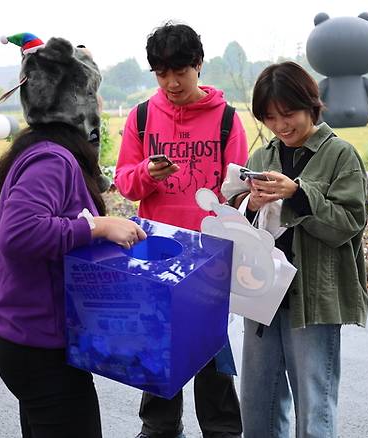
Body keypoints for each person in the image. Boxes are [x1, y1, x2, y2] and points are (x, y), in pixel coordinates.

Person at [0, 35, 146, 438]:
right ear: (78, 102)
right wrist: (97, 225)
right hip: (40, 347)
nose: (101, 106)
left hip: (25, 341)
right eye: (94, 94)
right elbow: (20, 232)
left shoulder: (37, 149)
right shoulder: (53, 159)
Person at [114, 22, 248, 438]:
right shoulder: (140, 116)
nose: (171, 82)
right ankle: (159, 429)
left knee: (211, 351)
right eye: (161, 73)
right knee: (157, 347)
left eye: (181, 71)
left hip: (209, 256)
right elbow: (125, 181)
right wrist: (148, 174)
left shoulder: (227, 120)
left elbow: (239, 192)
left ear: (199, 65)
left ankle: (222, 431)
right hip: (156, 253)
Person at [233, 61, 368, 438]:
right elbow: (243, 227)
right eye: (270, 117)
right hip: (263, 296)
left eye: (288, 113)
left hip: (314, 298)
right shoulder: (262, 158)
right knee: (258, 404)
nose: (281, 125)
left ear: (311, 104)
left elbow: (349, 225)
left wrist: (298, 194)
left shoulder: (341, 155)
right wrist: (250, 206)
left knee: (314, 407)